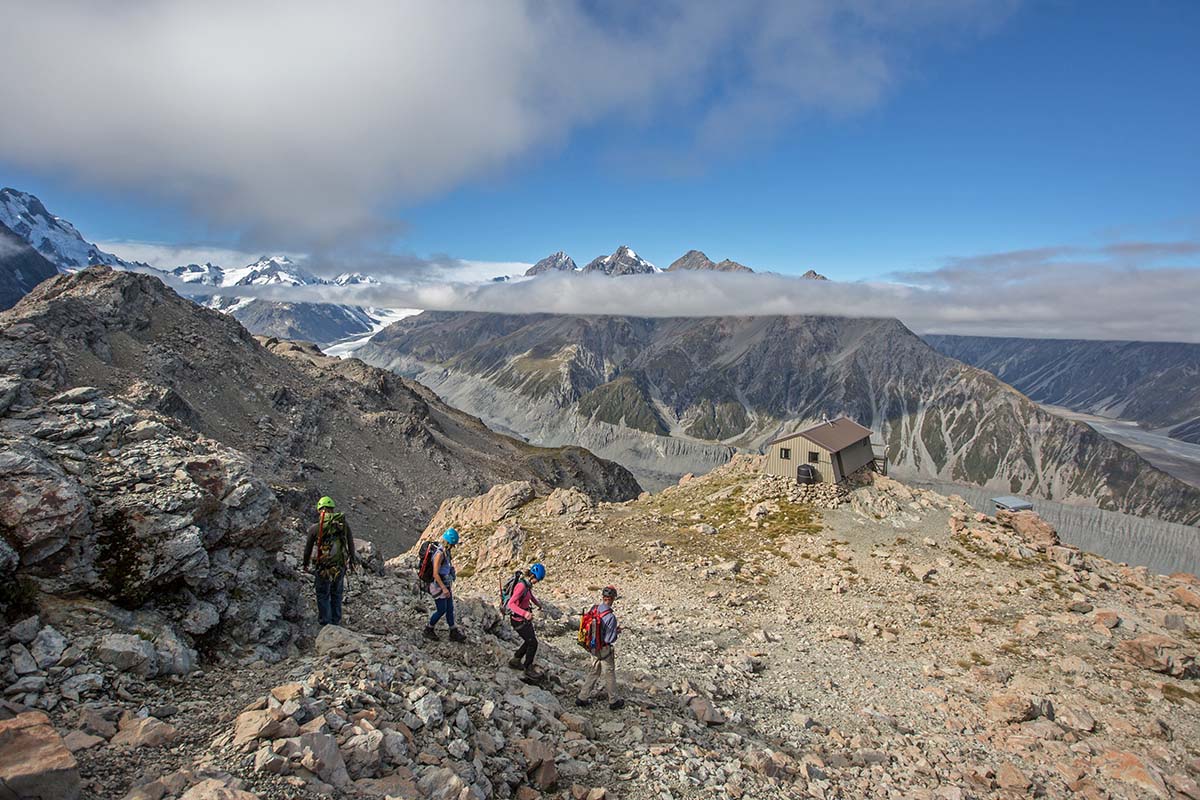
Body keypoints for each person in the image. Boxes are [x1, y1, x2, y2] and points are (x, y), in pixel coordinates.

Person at [302, 496, 357, 627]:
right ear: (333, 509)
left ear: (319, 510)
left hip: (323, 567)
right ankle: (336, 621)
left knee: (322, 593)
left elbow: (307, 550)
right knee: (337, 593)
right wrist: (352, 561)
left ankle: (325, 623)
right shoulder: (343, 525)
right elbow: (350, 544)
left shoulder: (315, 529)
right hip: (339, 565)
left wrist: (305, 564)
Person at [576, 586, 624, 710]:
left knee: (594, 671)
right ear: (612, 599)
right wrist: (616, 631)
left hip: (592, 647)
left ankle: (582, 697)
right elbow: (609, 639)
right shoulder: (611, 617)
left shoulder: (594, 608)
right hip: (604, 649)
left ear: (603, 598)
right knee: (609, 673)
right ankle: (613, 700)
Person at [424, 528, 466, 642]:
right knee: (441, 609)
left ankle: (453, 631)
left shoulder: (446, 552)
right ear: (449, 543)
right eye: (452, 544)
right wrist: (443, 588)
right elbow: (435, 574)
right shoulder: (439, 554)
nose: (453, 547)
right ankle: (428, 628)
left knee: (450, 608)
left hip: (445, 584)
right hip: (438, 585)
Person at [506, 563, 546, 678]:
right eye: (537, 580)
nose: (537, 582)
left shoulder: (527, 585)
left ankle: (515, 660)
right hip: (518, 619)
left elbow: (530, 596)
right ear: (532, 576)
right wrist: (525, 613)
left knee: (529, 641)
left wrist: (538, 604)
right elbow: (511, 604)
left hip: (523, 619)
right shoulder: (521, 586)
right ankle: (528, 668)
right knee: (533, 643)